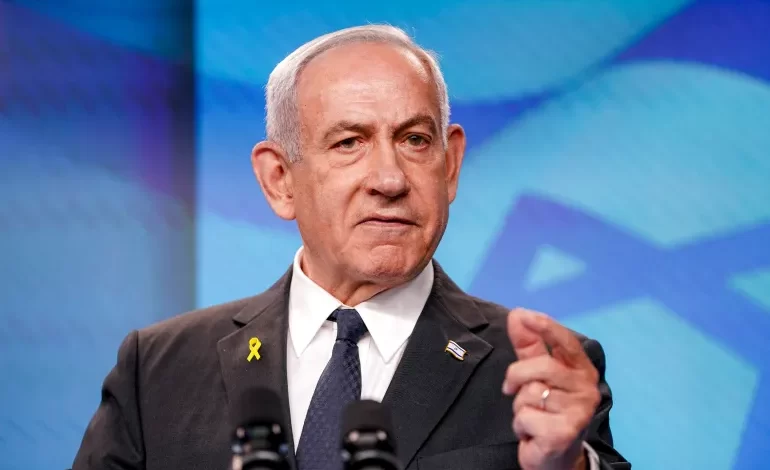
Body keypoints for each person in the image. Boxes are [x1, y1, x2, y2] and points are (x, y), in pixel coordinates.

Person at [72, 25, 630, 470]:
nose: (389, 178)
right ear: (279, 180)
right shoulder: (158, 371)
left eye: (415, 140)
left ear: (450, 165)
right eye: (349, 142)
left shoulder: (538, 375)